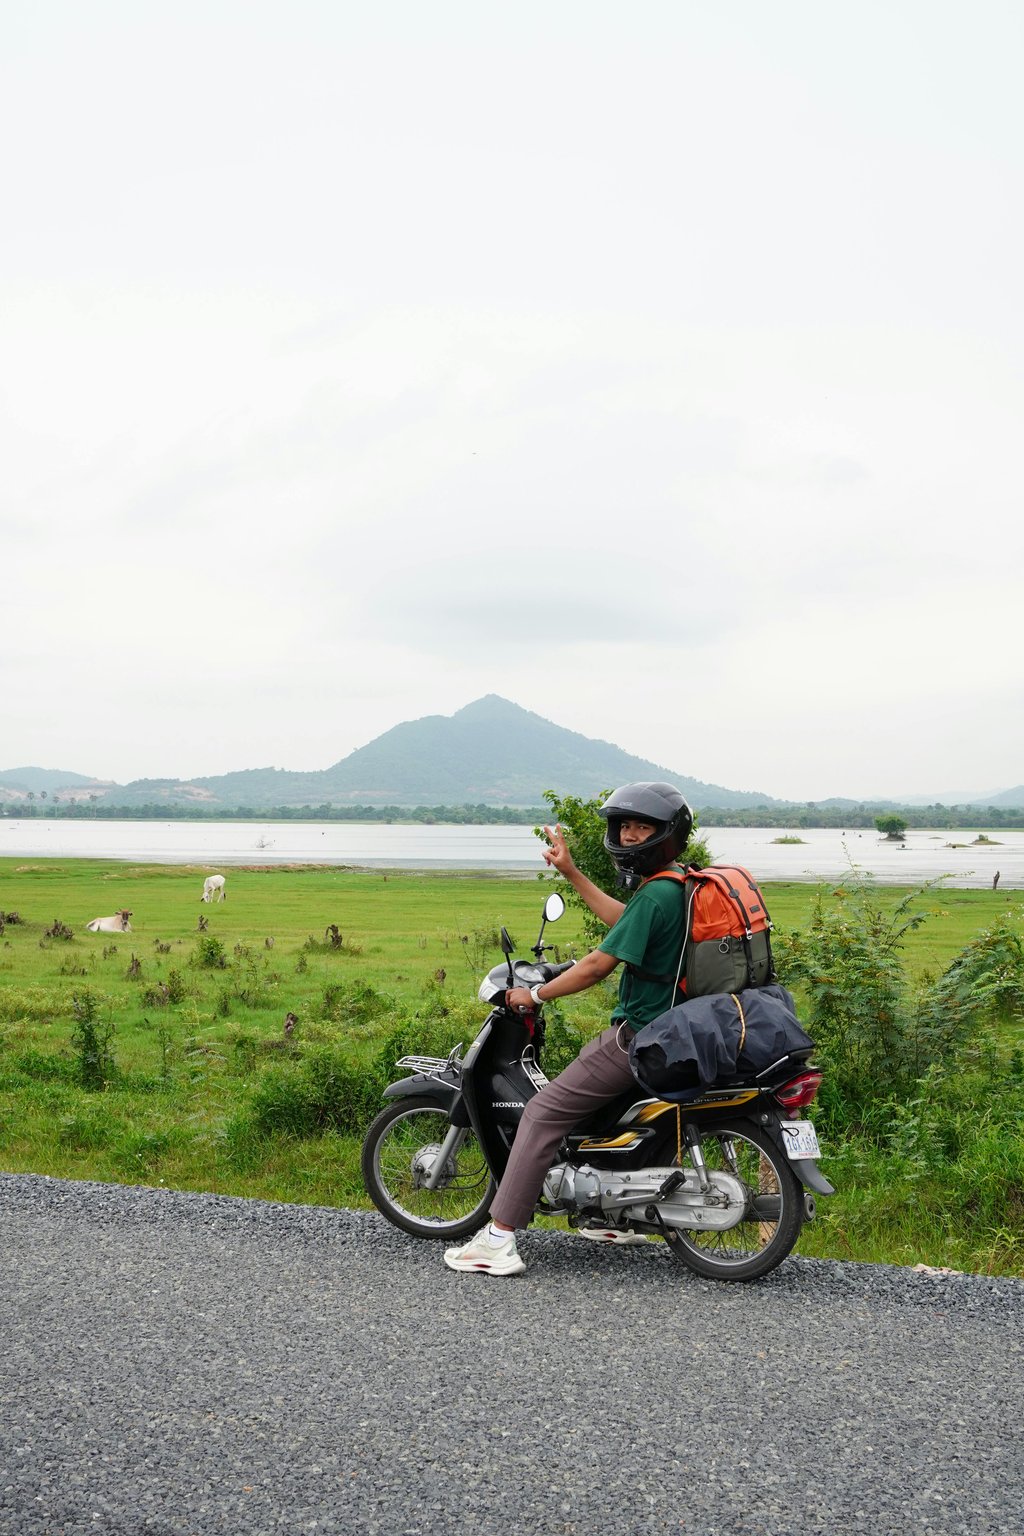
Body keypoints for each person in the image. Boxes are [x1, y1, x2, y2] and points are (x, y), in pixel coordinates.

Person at [444, 782, 693, 1277]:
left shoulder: (657, 893)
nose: (629, 835)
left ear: (665, 834)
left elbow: (598, 965)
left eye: (641, 826)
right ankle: (610, 1215)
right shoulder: (678, 884)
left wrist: (534, 995)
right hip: (677, 1030)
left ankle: (499, 1239)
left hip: (641, 1035)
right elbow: (624, 920)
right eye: (624, 826)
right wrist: (571, 871)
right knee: (603, 1117)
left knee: (543, 1112)